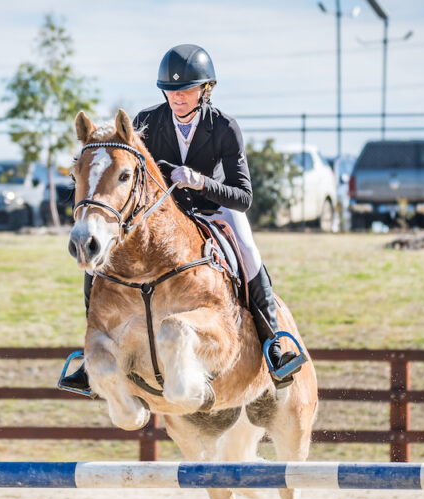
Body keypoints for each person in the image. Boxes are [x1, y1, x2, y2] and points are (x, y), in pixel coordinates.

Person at [59, 44, 302, 395]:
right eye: (171, 91)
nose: (178, 98)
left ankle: (274, 344)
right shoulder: (146, 122)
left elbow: (244, 196)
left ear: (205, 90)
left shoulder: (224, 127)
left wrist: (199, 181)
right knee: (99, 263)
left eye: (186, 90)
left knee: (248, 251)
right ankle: (90, 356)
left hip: (214, 209)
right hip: (161, 218)